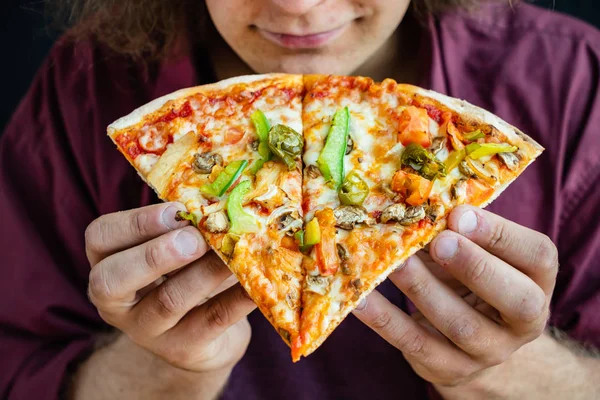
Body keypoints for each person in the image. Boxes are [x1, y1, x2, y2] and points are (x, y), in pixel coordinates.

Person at [1, 0, 599, 398]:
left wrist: (506, 369)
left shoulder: (576, 83)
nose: (299, 4)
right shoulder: (85, 88)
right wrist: (167, 371)